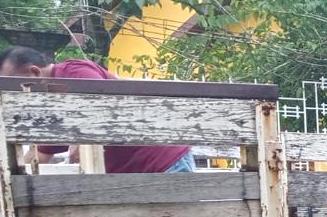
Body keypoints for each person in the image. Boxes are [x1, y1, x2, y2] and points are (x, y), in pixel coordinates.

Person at [0, 46, 194, 173]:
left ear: (34, 73)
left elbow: (104, 102)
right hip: (138, 178)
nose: (15, 94)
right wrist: (9, 176)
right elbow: (41, 154)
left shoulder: (71, 72)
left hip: (165, 164)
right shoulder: (52, 108)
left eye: (15, 86)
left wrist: (83, 139)